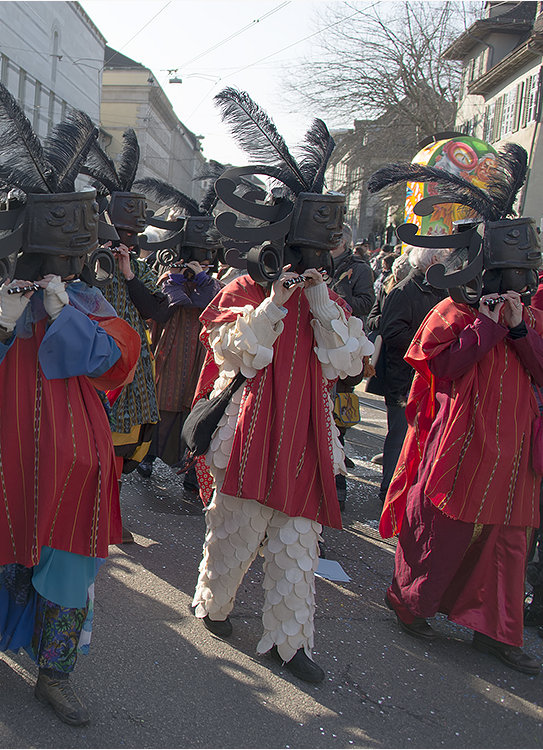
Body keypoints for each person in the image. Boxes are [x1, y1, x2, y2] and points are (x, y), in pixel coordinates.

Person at [0, 72, 139, 727]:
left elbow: (115, 362)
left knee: (68, 572)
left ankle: (56, 674)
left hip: (75, 461)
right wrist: (3, 319)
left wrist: (63, 311)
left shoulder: (90, 303)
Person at [189, 88, 372, 683]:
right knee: (233, 533)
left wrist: (317, 299)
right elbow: (235, 354)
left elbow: (349, 363)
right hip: (248, 430)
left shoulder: (330, 300)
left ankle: (290, 646)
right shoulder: (243, 291)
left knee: (298, 549)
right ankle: (213, 605)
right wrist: (276, 299)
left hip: (306, 438)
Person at [370, 143, 543, 676]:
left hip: (516, 452)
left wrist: (519, 327)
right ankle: (411, 603)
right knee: (442, 528)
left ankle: (497, 632)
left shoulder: (534, 317)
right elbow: (440, 366)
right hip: (460, 442)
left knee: (507, 543)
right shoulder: (453, 310)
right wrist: (488, 325)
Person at [83, 128, 169, 540]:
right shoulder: (88, 261)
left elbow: (156, 310)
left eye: (133, 237)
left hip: (131, 371)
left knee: (120, 452)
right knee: (89, 449)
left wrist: (130, 273)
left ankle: (108, 519)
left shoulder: (141, 268)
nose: (125, 243)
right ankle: (95, 519)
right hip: (95, 365)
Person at [134, 174, 224, 487]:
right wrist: (177, 280)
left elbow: (216, 306)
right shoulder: (167, 279)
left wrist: (202, 280)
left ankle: (190, 468)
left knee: (197, 408)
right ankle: (147, 456)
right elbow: (167, 309)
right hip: (169, 352)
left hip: (200, 356)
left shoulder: (214, 285)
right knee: (163, 405)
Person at [364, 246, 448, 505]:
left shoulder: (440, 290)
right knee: (399, 437)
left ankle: (409, 493)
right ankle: (389, 492)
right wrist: (430, 342)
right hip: (404, 378)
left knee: (420, 439)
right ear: (432, 260)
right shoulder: (404, 290)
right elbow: (391, 332)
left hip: (428, 376)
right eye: (443, 258)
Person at [327, 222, 375, 509]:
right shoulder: (315, 259)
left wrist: (333, 299)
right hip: (320, 346)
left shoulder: (359, 269)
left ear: (343, 241)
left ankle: (338, 488)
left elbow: (366, 303)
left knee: (337, 422)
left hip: (344, 350)